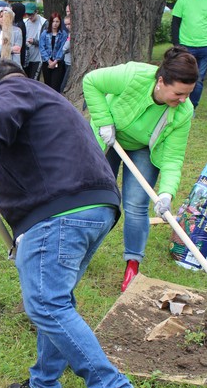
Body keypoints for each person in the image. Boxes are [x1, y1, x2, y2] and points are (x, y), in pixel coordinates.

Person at [0, 58, 142, 388]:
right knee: (56, 299)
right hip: (96, 206)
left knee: (46, 304)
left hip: (62, 210)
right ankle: (44, 386)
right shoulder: (48, 96)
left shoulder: (11, 90)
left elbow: (0, 117)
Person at [83, 46, 198, 291]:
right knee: (96, 199)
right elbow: (91, 81)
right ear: (161, 82)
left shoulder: (184, 111)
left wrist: (166, 193)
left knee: (136, 204)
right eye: (179, 93)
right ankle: (79, 252)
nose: (183, 100)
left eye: (188, 94)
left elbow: (173, 157)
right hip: (108, 136)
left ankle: (132, 266)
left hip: (144, 148)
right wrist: (104, 121)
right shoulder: (133, 75)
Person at [40, 12, 68, 92]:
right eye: (53, 21)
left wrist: (55, 61)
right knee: (47, 84)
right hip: (47, 62)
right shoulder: (45, 33)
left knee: (55, 84)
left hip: (58, 62)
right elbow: (42, 47)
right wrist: (49, 61)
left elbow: (62, 48)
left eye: (57, 21)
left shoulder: (63, 34)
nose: (55, 24)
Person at [23, 2, 46, 80]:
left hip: (37, 58)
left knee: (34, 80)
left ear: (36, 12)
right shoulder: (24, 22)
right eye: (28, 14)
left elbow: (46, 42)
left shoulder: (43, 23)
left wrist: (35, 41)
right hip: (27, 57)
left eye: (31, 14)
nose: (30, 17)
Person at [60, 15, 72, 90]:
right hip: (66, 61)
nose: (67, 26)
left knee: (64, 85)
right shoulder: (68, 33)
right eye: (66, 24)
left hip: (70, 62)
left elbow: (65, 47)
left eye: (69, 24)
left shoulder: (72, 34)